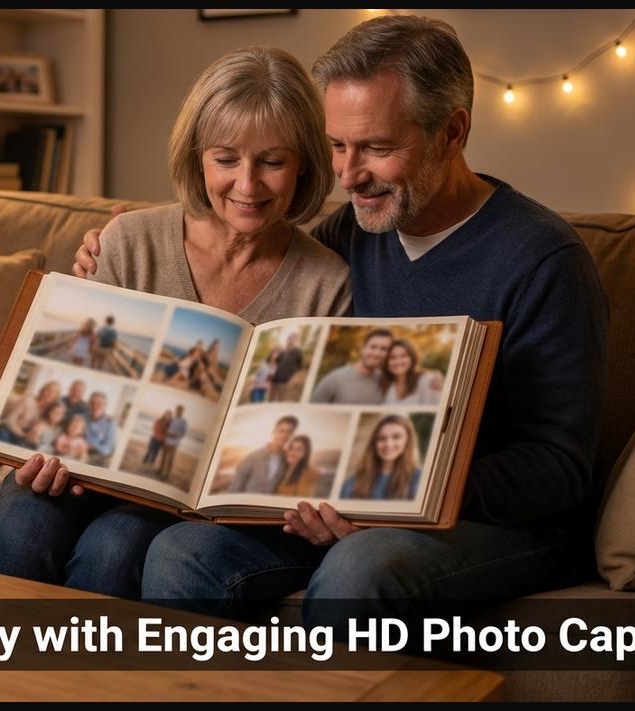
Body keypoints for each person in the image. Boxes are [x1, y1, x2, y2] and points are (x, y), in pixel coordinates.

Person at [74, 15, 607, 626]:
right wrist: (109, 244)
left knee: (360, 571)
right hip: (344, 501)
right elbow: (251, 249)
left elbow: (559, 467)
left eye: (378, 149)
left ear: (452, 131)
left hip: (502, 523)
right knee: (180, 552)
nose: (349, 175)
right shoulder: (352, 231)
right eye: (337, 146)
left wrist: (396, 496)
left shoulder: (543, 259)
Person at [0, 46, 349, 600]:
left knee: (115, 545)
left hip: (191, 504)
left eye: (272, 161)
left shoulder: (328, 283)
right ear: (198, 157)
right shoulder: (130, 241)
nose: (247, 185)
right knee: (24, 525)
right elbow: (69, 373)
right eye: (226, 159)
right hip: (82, 467)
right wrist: (40, 449)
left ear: (304, 166)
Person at [342, 415, 423, 500]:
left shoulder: (418, 478)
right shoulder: (356, 480)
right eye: (381, 438)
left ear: (408, 441)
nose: (388, 444)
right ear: (374, 443)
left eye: (396, 437)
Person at [310, 328, 393, 404]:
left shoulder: (386, 382)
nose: (377, 353)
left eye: (384, 349)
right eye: (373, 347)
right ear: (363, 348)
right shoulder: (335, 379)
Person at [228, 415, 299, 494]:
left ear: (292, 435)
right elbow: (234, 488)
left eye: (289, 432)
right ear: (274, 431)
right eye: (281, 431)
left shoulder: (286, 461)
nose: (284, 435)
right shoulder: (252, 457)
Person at [0, 380, 61, 448]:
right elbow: (10, 419)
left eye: (54, 393)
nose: (50, 394)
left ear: (55, 397)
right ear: (43, 390)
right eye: (48, 390)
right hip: (8, 430)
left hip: (24, 439)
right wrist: (22, 435)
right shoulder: (28, 400)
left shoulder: (49, 410)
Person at [381, 338, 443, 406]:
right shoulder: (387, 384)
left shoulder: (427, 380)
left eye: (403, 356)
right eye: (392, 357)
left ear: (412, 358)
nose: (398, 361)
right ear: (386, 361)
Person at [268, 333, 305, 401]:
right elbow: (275, 363)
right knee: (271, 399)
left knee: (281, 399)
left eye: (293, 339)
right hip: (275, 380)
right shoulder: (282, 351)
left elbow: (300, 366)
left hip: (285, 381)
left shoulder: (298, 352)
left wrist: (292, 375)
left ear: (296, 340)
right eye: (289, 339)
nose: (290, 340)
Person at [158, 405, 189, 481]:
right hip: (167, 441)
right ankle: (160, 470)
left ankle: (166, 475)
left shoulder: (183, 422)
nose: (178, 411)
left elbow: (184, 433)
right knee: (164, 457)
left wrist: (175, 435)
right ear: (176, 410)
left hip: (174, 443)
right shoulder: (172, 419)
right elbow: (166, 428)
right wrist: (166, 433)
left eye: (180, 410)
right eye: (177, 410)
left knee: (170, 459)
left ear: (182, 411)